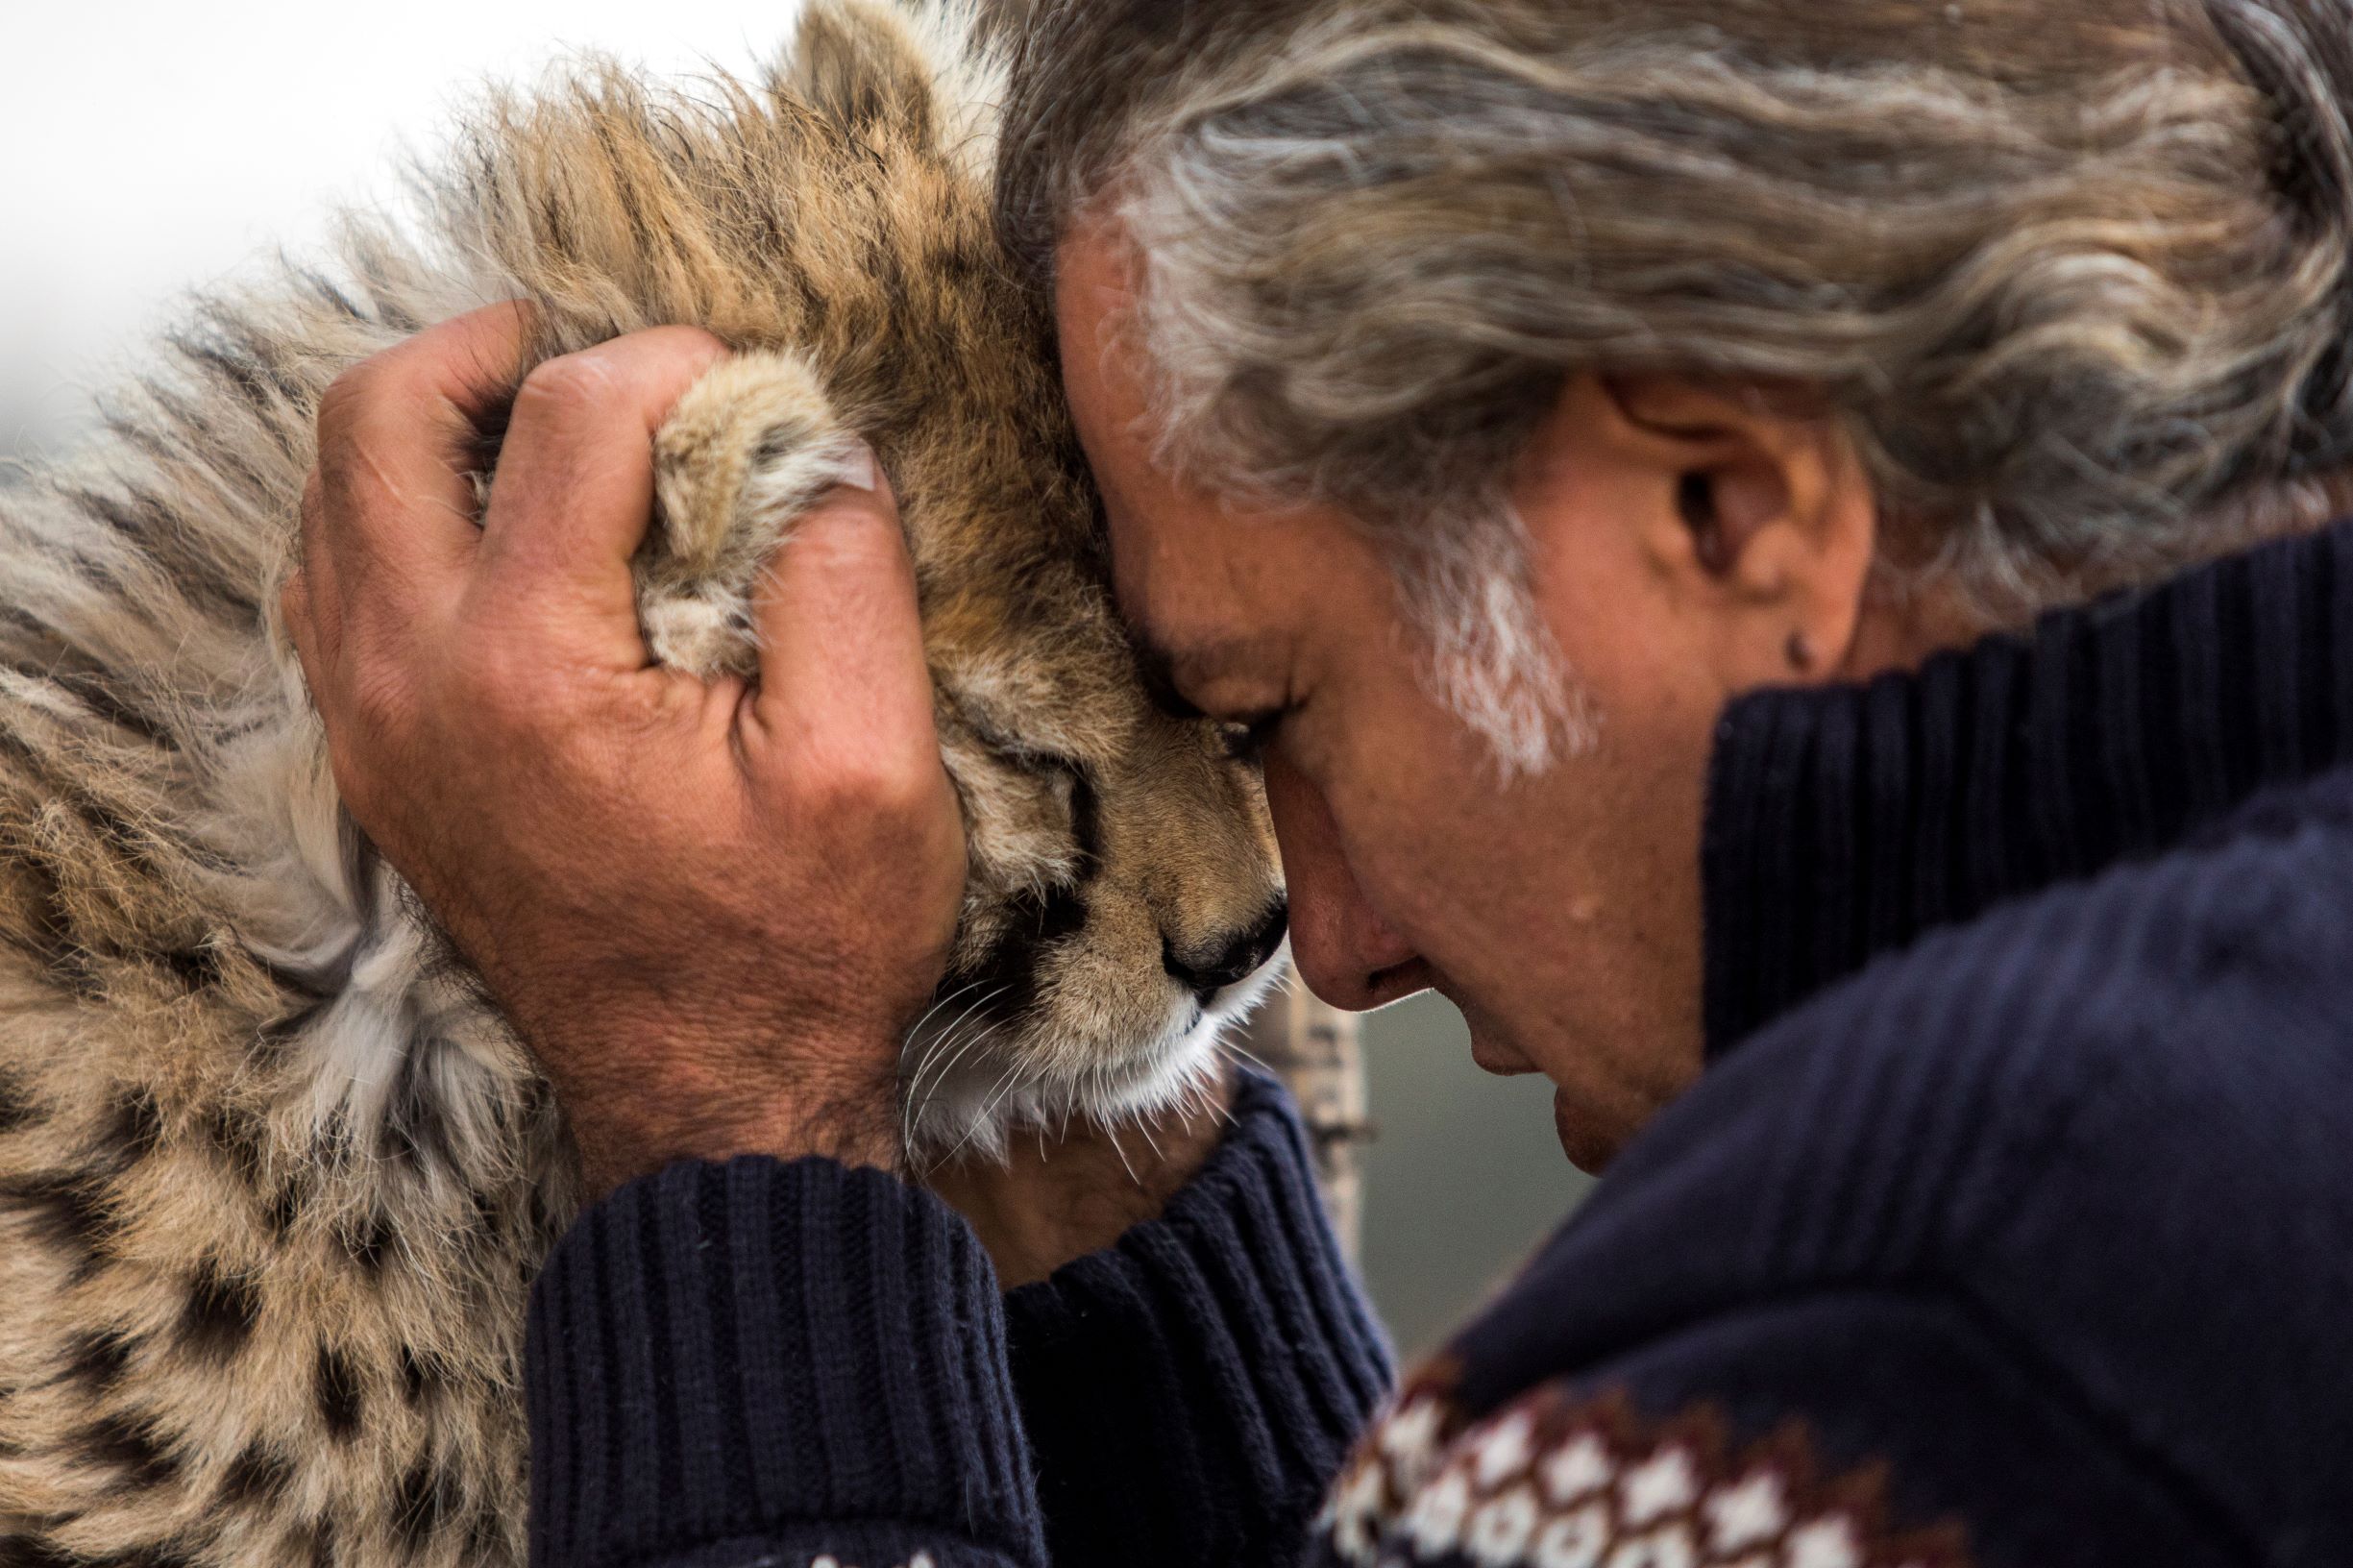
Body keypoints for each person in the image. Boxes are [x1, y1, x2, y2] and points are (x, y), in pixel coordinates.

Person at [282, 0, 2353, 1563]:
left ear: (1726, 506)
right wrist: (1141, 1249)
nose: (1322, 953)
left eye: (1267, 710)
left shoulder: (1930, 1311)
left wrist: (731, 1127)